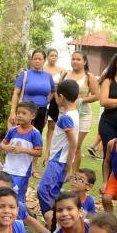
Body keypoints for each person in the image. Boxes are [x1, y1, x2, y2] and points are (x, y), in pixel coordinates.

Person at [36, 79, 79, 216]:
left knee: (43, 191)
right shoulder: (74, 113)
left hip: (59, 161)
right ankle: (56, 221)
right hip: (59, 160)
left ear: (61, 97)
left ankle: (52, 220)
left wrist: (68, 166)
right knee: (53, 192)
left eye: (55, 94)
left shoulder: (65, 118)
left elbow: (73, 144)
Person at [64, 51, 100, 174]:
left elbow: (97, 96)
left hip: (83, 115)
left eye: (78, 59)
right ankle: (63, 172)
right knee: (65, 145)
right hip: (66, 114)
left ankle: (74, 174)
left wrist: (81, 100)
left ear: (84, 62)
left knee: (76, 147)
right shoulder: (65, 74)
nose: (75, 61)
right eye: (73, 59)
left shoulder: (89, 77)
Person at [1, 100, 42, 202]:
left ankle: (19, 215)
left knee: (18, 198)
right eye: (18, 113)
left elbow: (39, 152)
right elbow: (2, 144)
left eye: (24, 113)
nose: (19, 115)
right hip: (7, 168)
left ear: (32, 116)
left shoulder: (35, 134)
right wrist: (6, 147)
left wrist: (23, 150)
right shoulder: (12, 130)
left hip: (22, 172)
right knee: (4, 193)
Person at [9, 49, 55, 138]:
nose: (37, 61)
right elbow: (15, 93)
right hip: (25, 111)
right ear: (32, 60)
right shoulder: (25, 74)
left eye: (40, 59)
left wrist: (46, 101)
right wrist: (13, 112)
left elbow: (53, 91)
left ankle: (34, 152)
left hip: (42, 111)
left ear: (44, 61)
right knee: (21, 135)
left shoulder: (48, 76)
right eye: (35, 58)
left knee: (36, 136)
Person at [42, 48, 67, 172]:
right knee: (41, 126)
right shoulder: (42, 68)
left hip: (55, 101)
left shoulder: (62, 70)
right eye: (51, 55)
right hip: (43, 98)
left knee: (52, 127)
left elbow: (62, 85)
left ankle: (48, 152)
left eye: (55, 55)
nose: (53, 57)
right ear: (47, 56)